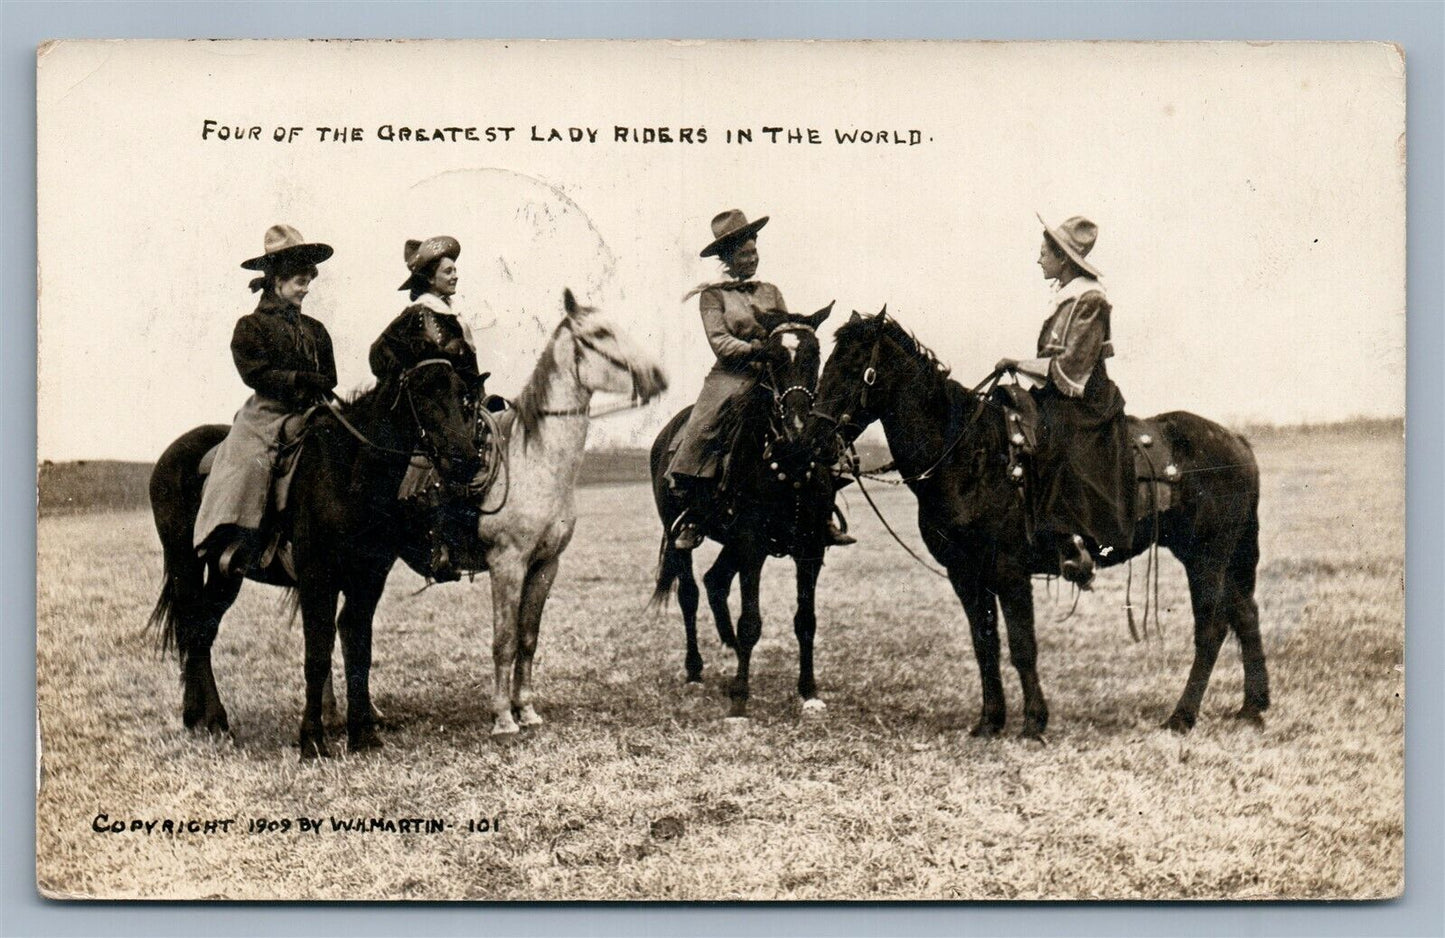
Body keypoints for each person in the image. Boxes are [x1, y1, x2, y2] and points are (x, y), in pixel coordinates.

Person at [668, 209, 855, 551]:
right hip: (731, 374)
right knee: (703, 425)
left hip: (775, 372)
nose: (751, 259)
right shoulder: (713, 296)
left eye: (754, 253)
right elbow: (720, 342)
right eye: (743, 255)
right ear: (727, 258)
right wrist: (757, 350)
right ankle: (694, 513)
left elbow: (783, 327)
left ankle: (825, 509)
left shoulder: (771, 291)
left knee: (814, 418)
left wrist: (787, 343)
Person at [995, 214, 1134, 589]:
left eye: (1044, 254)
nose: (1039, 260)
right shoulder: (1067, 299)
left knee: (1055, 444)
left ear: (1063, 259)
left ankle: (1073, 540)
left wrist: (1017, 362)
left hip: (1085, 399)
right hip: (1059, 393)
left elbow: (1072, 367)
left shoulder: (1090, 300)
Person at [194, 224, 337, 577]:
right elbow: (254, 374)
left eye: (308, 281)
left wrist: (319, 384)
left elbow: (331, 375)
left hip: (313, 408)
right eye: (299, 282)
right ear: (278, 282)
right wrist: (296, 379)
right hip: (268, 411)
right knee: (250, 458)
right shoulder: (250, 326)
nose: (306, 289)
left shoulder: (316, 329)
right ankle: (237, 538)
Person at [372, 236, 484, 582]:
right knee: (443, 465)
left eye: (455, 270)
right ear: (429, 278)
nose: (454, 275)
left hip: (461, 407)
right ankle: (439, 549)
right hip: (432, 415)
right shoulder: (418, 314)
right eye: (447, 271)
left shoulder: (451, 316)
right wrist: (410, 380)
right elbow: (379, 355)